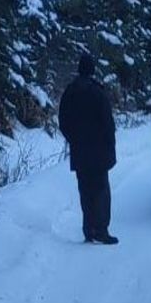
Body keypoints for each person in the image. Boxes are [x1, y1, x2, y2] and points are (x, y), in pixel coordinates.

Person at [58, 53, 119, 245]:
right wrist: (110, 145)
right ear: (92, 70)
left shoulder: (70, 92)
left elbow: (63, 121)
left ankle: (88, 229)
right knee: (100, 190)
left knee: (85, 190)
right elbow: (108, 123)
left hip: (80, 150)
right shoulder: (98, 92)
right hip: (99, 151)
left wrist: (73, 139)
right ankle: (101, 230)